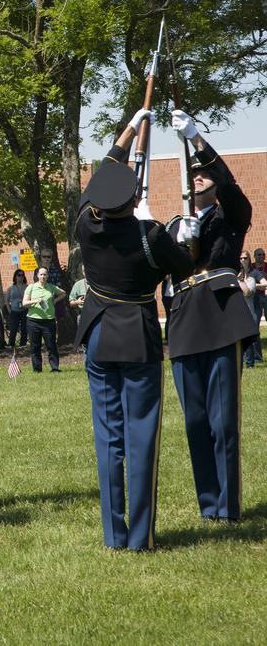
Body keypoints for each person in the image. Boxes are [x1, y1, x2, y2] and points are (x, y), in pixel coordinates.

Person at [75, 109, 194, 550]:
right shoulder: (151, 235)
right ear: (135, 198)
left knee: (109, 439)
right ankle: (140, 536)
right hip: (139, 336)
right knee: (142, 437)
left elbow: (100, 179)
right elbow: (184, 267)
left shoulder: (87, 225)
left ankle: (114, 534)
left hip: (99, 333)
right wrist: (160, 228)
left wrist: (129, 128)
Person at [165, 111, 258, 524]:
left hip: (220, 316)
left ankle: (229, 506)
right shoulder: (174, 224)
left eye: (205, 173)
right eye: (194, 173)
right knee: (195, 420)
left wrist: (196, 138)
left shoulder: (230, 215)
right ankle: (209, 506)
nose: (198, 176)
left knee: (223, 421)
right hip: (185, 319)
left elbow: (234, 189)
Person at [23, 267, 65, 373]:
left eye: (45, 274)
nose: (43, 276)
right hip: (33, 321)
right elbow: (24, 303)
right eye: (41, 274)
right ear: (37, 275)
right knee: (35, 346)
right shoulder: (31, 287)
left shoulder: (51, 287)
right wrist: (36, 300)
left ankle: (54, 368)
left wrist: (55, 300)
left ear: (48, 276)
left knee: (51, 345)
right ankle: (37, 369)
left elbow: (63, 293)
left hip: (49, 321)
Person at [236, 254, 264, 368]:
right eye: (241, 258)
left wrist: (240, 281)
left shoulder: (252, 279)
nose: (243, 260)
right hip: (236, 313)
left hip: (248, 312)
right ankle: (240, 361)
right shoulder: (233, 280)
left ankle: (250, 362)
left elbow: (247, 292)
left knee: (249, 338)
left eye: (245, 258)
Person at [6, 270, 28, 348]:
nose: (21, 277)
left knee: (24, 328)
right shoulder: (11, 288)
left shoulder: (27, 287)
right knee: (13, 328)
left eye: (22, 275)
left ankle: (23, 344)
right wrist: (9, 310)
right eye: (19, 275)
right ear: (15, 276)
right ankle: (11, 344)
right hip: (14, 311)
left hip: (24, 310)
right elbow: (7, 300)